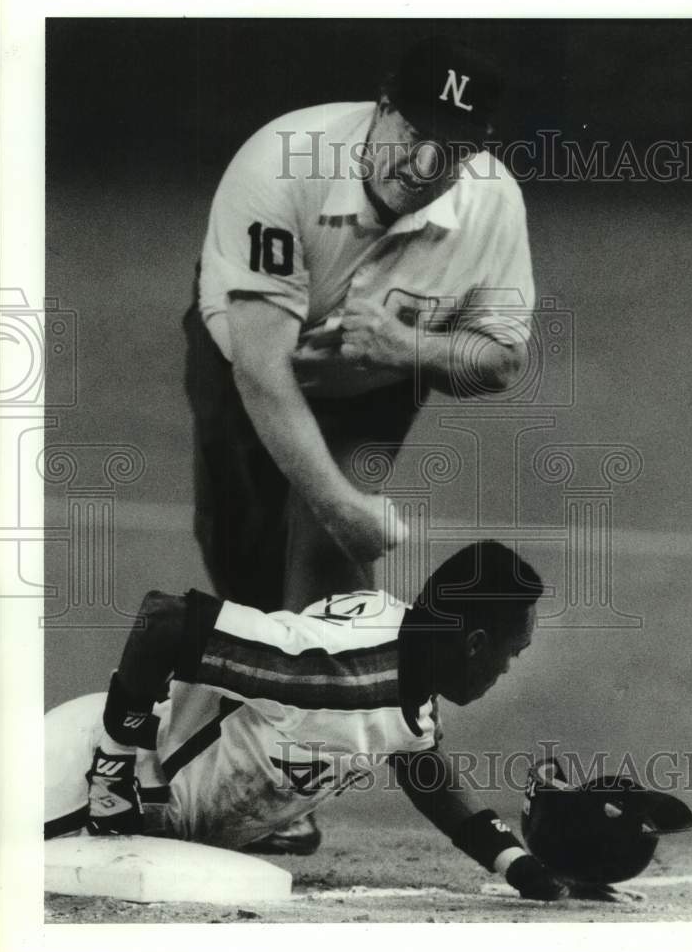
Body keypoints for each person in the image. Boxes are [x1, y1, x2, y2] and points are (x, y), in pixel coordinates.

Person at [186, 34, 536, 616]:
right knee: (244, 572)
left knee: (326, 559)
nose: (426, 166)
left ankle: (343, 698)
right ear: (382, 109)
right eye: (416, 136)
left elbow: (501, 361)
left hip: (375, 384)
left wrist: (406, 347)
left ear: (481, 147)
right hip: (247, 364)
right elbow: (260, 367)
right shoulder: (280, 166)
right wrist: (341, 507)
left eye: (452, 149)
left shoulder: (494, 204)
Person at [45, 542, 573, 901]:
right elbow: (164, 622)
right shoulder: (329, 673)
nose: (508, 668)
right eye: (512, 653)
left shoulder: (409, 659)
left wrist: (513, 863)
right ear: (475, 644)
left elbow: (421, 764)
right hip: (74, 790)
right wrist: (113, 773)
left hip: (148, 821)